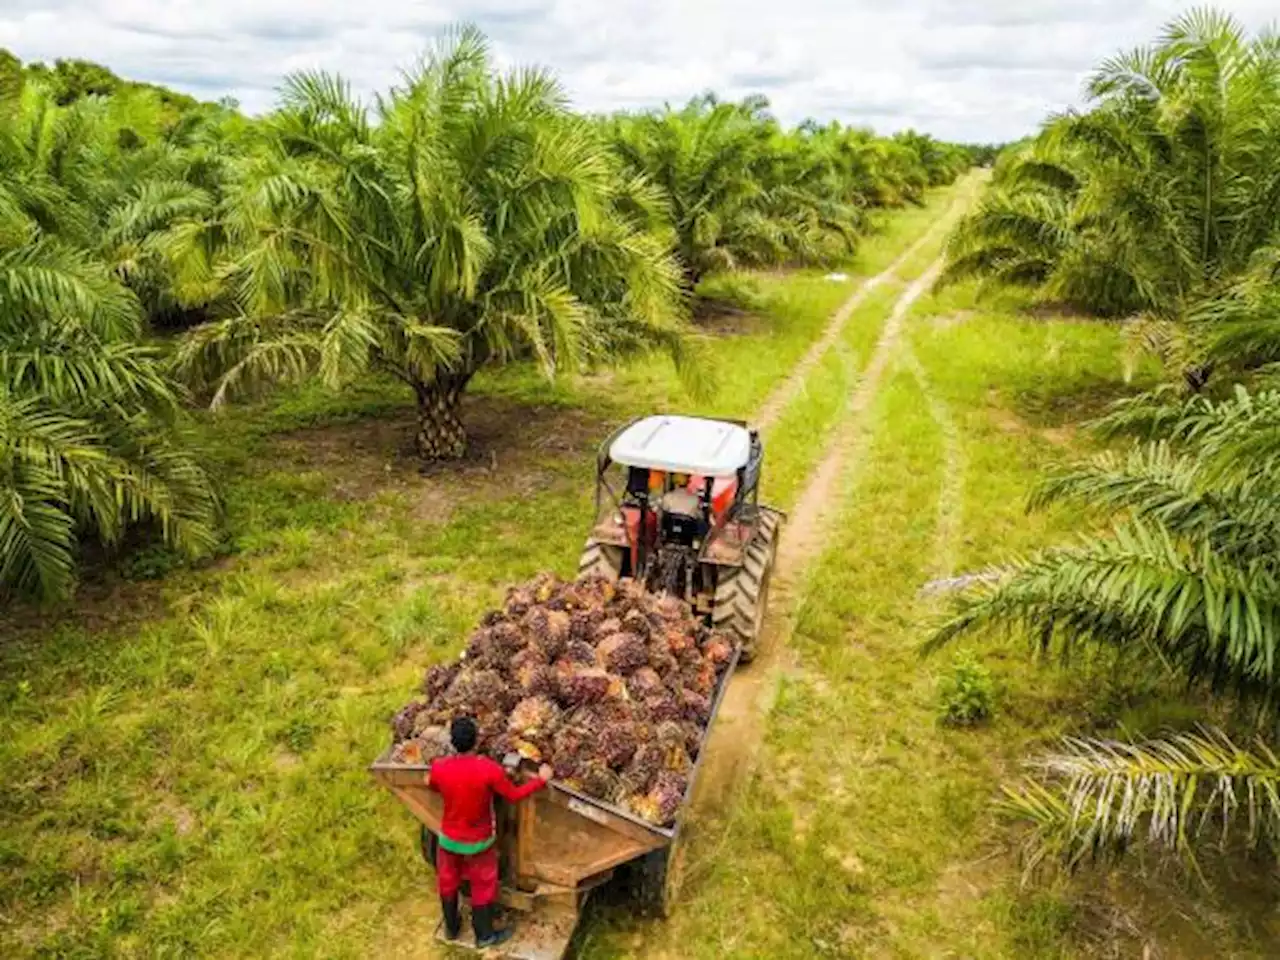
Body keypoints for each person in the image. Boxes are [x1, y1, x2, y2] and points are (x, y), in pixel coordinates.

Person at [426, 716, 552, 947]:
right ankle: (484, 935)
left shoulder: (440, 767)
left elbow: (431, 782)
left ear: (453, 742)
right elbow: (513, 795)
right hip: (478, 842)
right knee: (482, 884)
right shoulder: (489, 770)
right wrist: (540, 781)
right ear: (476, 741)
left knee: (448, 880)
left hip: (449, 840)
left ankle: (451, 928)